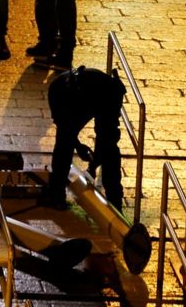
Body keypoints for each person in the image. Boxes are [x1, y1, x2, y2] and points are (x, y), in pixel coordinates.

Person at [44, 66, 126, 211]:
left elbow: (107, 140)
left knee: (109, 150)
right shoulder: (69, 97)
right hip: (68, 94)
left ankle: (115, 200)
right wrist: (78, 146)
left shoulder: (109, 97)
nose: (118, 114)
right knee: (64, 145)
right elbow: (66, 130)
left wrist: (93, 164)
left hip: (81, 94)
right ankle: (57, 194)